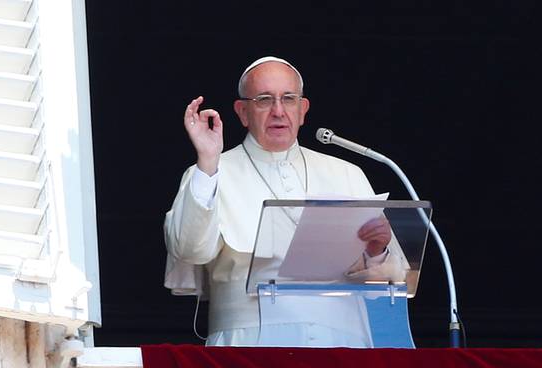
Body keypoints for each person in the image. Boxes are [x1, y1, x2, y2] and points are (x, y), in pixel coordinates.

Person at [164, 56, 399, 347]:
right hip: (248, 344)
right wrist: (208, 161)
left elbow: (387, 286)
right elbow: (190, 251)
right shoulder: (210, 172)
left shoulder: (348, 173)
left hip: (342, 344)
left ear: (303, 110)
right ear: (243, 112)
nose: (278, 111)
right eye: (264, 99)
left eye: (288, 99)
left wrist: (377, 251)